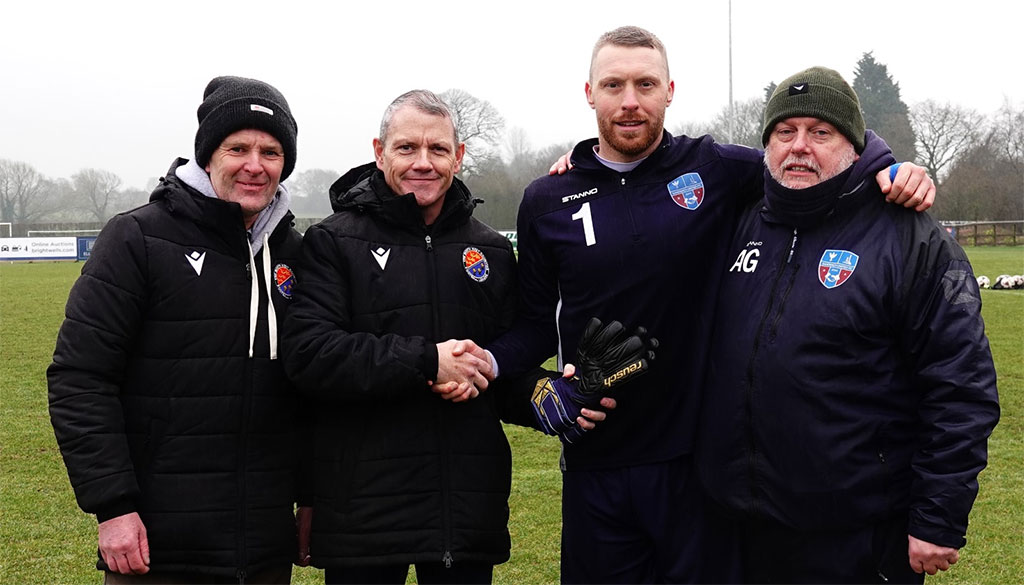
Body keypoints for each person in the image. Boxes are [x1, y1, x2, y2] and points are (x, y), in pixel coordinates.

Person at [482, 26, 936, 584]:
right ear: (589, 92)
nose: (630, 101)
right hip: (596, 466)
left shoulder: (716, 168)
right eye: (614, 85)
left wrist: (887, 166)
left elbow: (809, 157)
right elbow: (530, 325)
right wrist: (529, 389)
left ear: (669, 90)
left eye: (645, 84)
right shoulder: (546, 200)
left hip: (698, 471)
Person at [278, 90, 642, 585]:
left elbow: (497, 362)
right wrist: (429, 361)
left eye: (438, 149)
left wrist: (546, 394)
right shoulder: (333, 241)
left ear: (460, 155)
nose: (423, 163)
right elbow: (310, 356)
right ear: (379, 151)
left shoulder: (489, 248)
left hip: (463, 511)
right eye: (407, 148)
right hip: (363, 516)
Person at [696, 66, 1000, 584]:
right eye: (784, 133)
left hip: (856, 538)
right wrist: (587, 163)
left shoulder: (910, 238)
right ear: (766, 146)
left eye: (821, 133)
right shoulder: (737, 222)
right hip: (738, 531)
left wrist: (939, 516)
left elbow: (961, 387)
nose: (799, 147)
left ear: (855, 147)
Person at [47, 76, 307, 584]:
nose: (255, 164)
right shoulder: (137, 237)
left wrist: (312, 497)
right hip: (155, 544)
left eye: (271, 151)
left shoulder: (295, 253)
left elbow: (311, 390)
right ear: (208, 156)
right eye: (238, 147)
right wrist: (113, 507)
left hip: (262, 549)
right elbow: (80, 378)